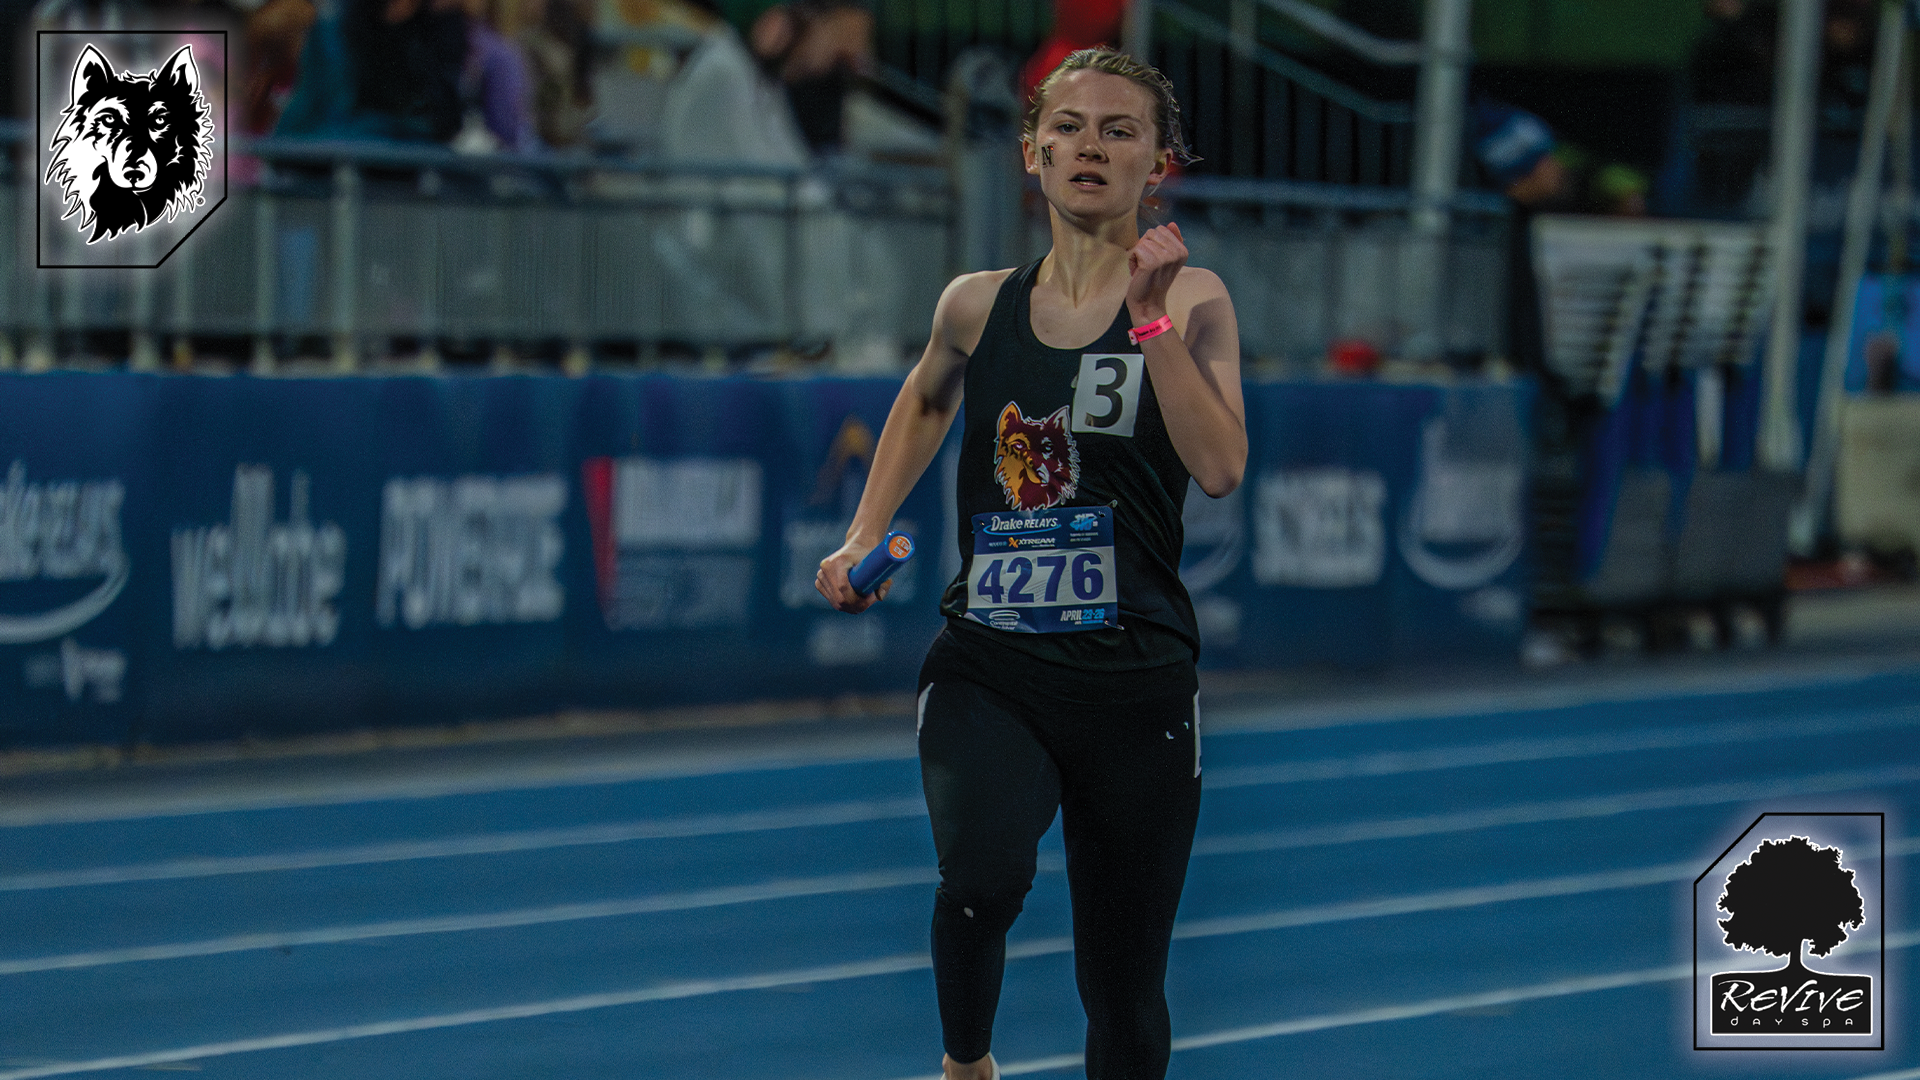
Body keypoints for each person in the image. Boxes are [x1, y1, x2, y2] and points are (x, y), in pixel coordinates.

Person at [814, 47, 1245, 1080]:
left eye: (1118, 130)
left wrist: (1150, 318)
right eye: (1068, 127)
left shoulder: (1195, 300)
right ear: (1031, 153)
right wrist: (864, 532)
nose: (1089, 146)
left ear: (1158, 165)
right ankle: (967, 1066)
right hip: (993, 660)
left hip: (1135, 680)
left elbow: (1221, 466)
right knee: (981, 877)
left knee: (1123, 990)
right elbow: (926, 399)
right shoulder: (975, 303)